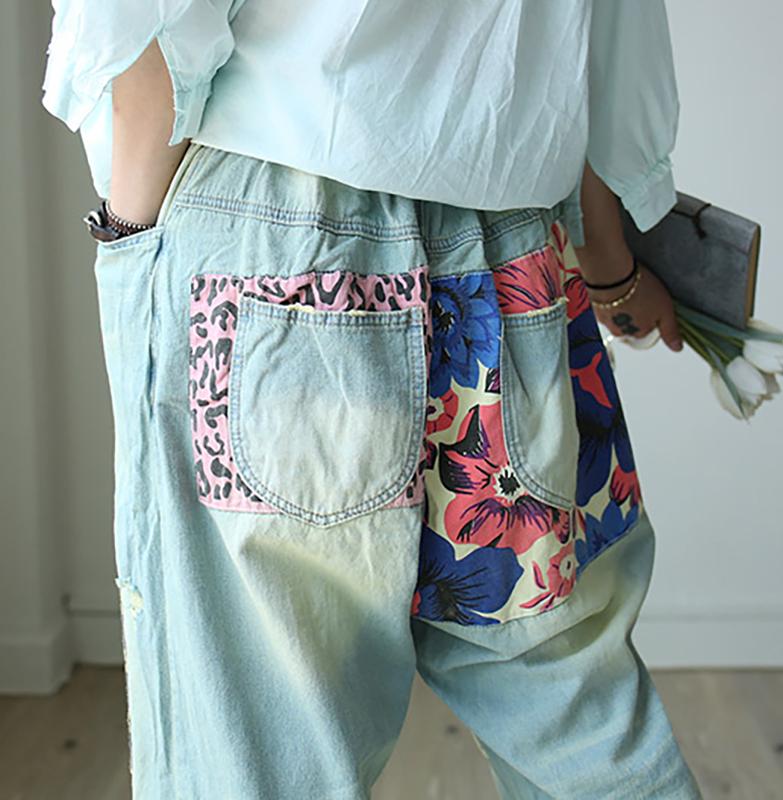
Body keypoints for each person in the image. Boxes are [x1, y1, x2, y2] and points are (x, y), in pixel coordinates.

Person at [42, 1, 702, 798]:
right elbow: (597, 54)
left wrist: (129, 235)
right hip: (511, 259)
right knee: (569, 702)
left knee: (264, 743)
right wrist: (611, 267)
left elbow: (147, 29)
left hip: (275, 256)